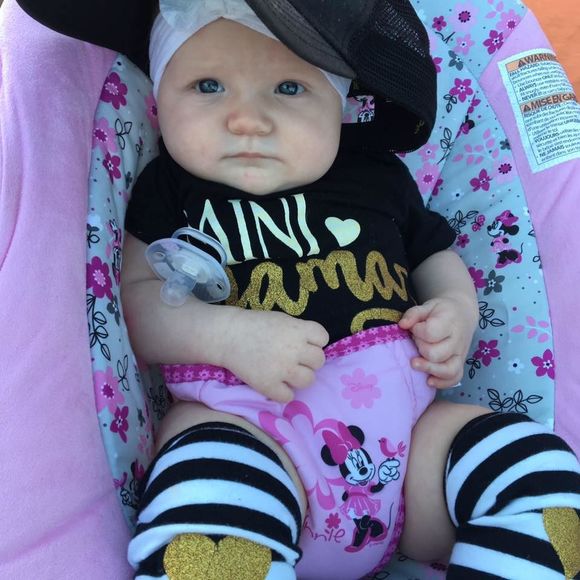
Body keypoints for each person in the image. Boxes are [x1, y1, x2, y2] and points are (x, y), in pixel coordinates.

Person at [121, 1, 580, 578]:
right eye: (208, 86)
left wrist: (456, 310)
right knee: (208, 480)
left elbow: (435, 257)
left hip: (411, 459)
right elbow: (138, 300)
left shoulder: (376, 175)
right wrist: (227, 336)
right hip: (251, 436)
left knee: (534, 469)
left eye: (289, 88)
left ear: (340, 104)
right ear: (159, 97)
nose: (247, 120)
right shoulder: (169, 189)